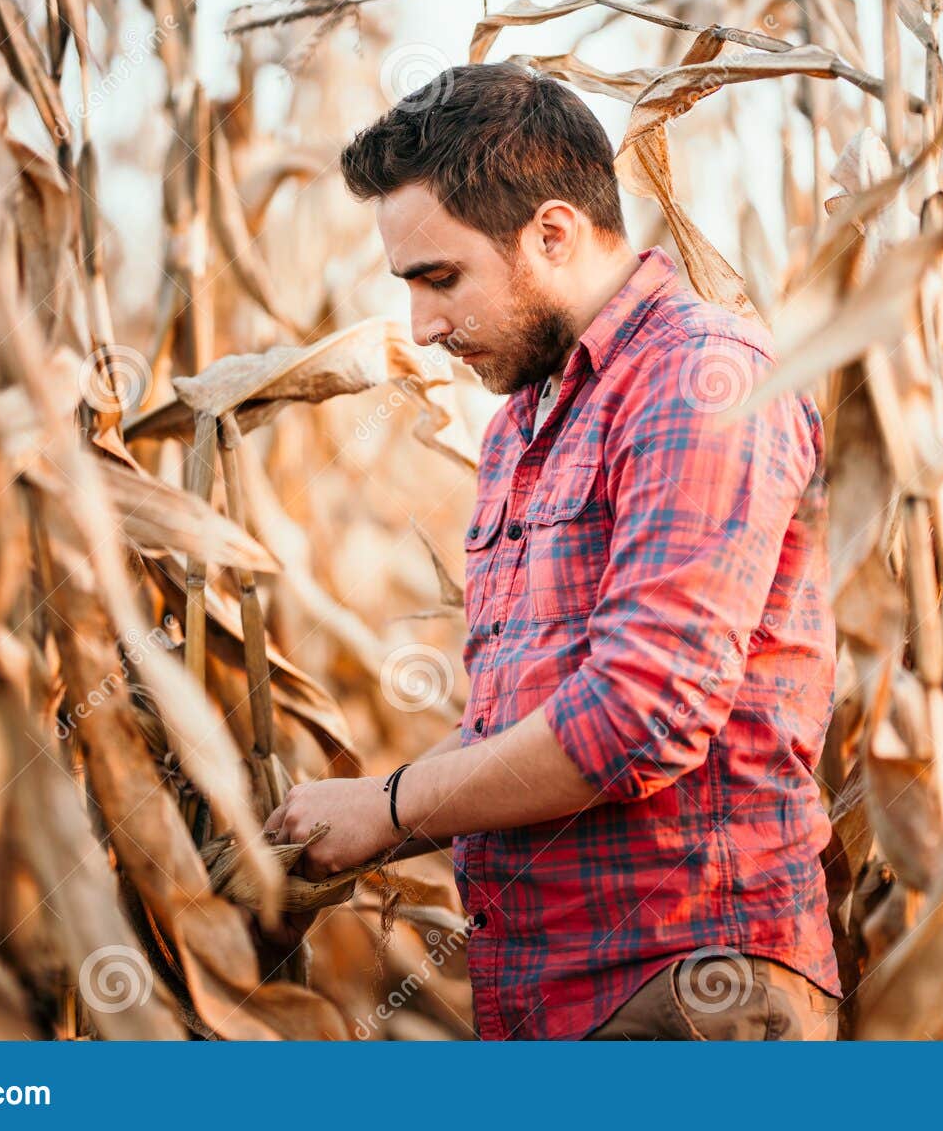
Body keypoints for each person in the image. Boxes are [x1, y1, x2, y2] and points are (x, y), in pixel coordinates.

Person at [267, 62, 841, 1041]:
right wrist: (357, 810)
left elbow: (638, 714)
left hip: (689, 990)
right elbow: (533, 721)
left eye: (440, 278)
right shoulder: (524, 424)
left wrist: (394, 804)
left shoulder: (698, 378)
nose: (422, 326)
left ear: (553, 233)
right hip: (552, 997)